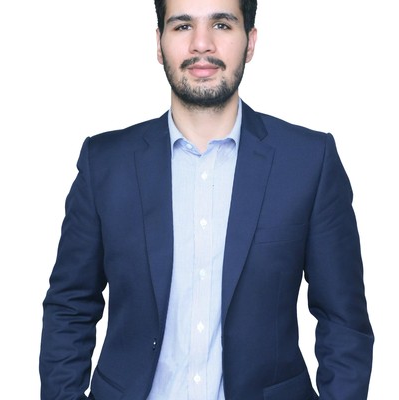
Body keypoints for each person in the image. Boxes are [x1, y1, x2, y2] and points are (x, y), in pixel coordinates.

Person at [39, 0, 374, 399]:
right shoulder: (105, 164)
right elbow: (70, 307)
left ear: (250, 42)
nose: (202, 44)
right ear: (159, 43)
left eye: (221, 24)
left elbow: (343, 322)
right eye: (182, 26)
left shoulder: (308, 161)